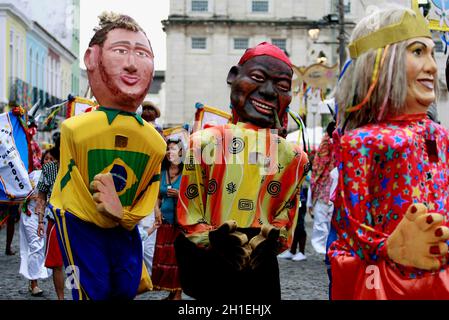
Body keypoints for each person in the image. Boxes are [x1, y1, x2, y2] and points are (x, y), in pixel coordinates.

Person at [328, 6, 449, 299]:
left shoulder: (440, 135)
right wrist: (391, 246)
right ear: (381, 64)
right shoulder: (361, 142)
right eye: (418, 52)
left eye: (432, 54)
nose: (433, 66)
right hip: (389, 285)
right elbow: (352, 229)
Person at [174, 42, 309, 301]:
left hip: (261, 270)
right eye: (257, 78)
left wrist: (270, 241)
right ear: (234, 76)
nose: (269, 93)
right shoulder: (204, 143)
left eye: (282, 87)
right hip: (215, 264)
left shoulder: (294, 157)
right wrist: (212, 241)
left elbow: (286, 216)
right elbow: (190, 207)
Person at [48, 12, 166, 300]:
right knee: (88, 290)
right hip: (80, 227)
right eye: (120, 50)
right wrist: (105, 211)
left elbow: (150, 189)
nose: (131, 63)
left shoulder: (154, 142)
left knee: (125, 288)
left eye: (142, 53)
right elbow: (69, 189)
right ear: (92, 58)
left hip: (124, 230)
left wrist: (124, 215)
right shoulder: (76, 130)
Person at [152, 138, 184, 300]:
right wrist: (156, 209)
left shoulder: (187, 174)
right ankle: (171, 292)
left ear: (180, 152)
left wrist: (180, 195)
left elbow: (193, 197)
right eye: (168, 149)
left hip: (180, 224)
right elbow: (157, 196)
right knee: (164, 257)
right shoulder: (162, 172)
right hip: (164, 222)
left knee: (177, 258)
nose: (170, 152)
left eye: (174, 149)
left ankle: (177, 293)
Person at [19, 150, 53, 296]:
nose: (48, 161)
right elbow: (23, 194)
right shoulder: (34, 175)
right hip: (31, 216)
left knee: (41, 248)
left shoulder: (59, 178)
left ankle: (32, 278)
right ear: (42, 161)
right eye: (46, 158)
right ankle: (34, 283)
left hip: (49, 217)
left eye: (52, 159)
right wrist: (29, 198)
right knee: (36, 246)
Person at [36, 144, 65, 300]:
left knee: (75, 264)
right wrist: (40, 221)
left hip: (76, 221)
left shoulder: (79, 164)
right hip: (55, 220)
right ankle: (61, 298)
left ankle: (76, 293)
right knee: (57, 263)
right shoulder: (49, 169)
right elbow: (41, 196)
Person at [310, 121, 336, 254]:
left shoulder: (326, 143)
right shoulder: (332, 143)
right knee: (327, 219)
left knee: (322, 220)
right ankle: (324, 245)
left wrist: (314, 183)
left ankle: (323, 245)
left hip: (325, 186)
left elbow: (318, 166)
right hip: (331, 185)